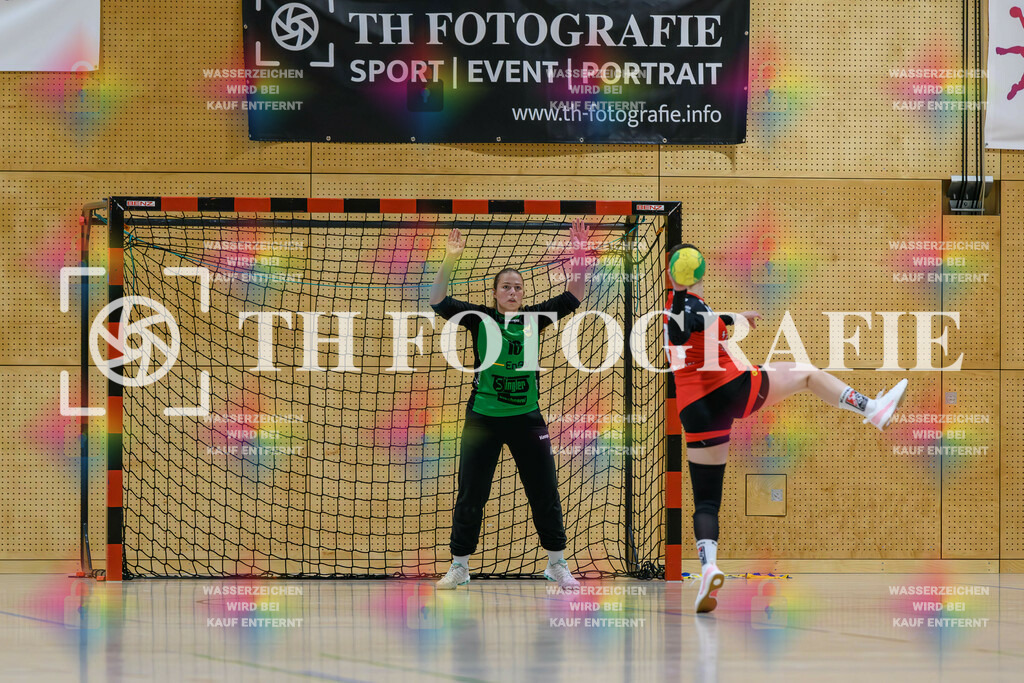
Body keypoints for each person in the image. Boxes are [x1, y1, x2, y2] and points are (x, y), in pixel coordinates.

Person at [664, 244, 907, 613]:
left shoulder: (685, 306)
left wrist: (734, 317)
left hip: (695, 411)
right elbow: (685, 327)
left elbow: (698, 322)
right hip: (731, 390)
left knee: (707, 502)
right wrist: (699, 307)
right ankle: (872, 409)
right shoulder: (684, 307)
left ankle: (709, 567)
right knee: (806, 374)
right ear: (700, 272)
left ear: (671, 273)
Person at [430, 220, 590, 590]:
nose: (513, 292)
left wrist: (580, 255)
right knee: (471, 493)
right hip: (483, 420)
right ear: (495, 292)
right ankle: (459, 566)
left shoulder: (534, 318)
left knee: (544, 492)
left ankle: (556, 564)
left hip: (527, 420)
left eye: (518, 287)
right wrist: (450, 259)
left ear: (523, 293)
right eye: (506, 287)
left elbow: (574, 295)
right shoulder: (480, 319)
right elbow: (438, 300)